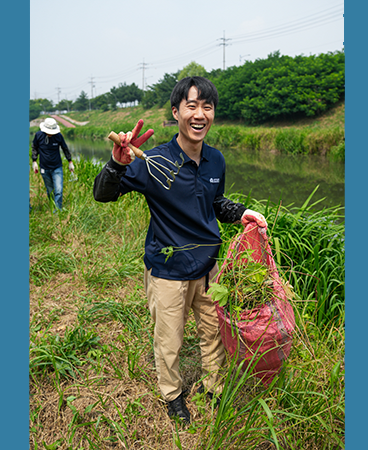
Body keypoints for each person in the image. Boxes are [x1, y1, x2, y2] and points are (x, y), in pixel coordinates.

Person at [93, 77, 267, 425]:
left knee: (213, 333)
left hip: (209, 268)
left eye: (207, 106)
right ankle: (172, 395)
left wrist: (239, 212)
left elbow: (214, 203)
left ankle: (213, 386)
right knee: (169, 342)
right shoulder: (152, 161)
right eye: (192, 105)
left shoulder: (216, 160)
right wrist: (117, 163)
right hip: (168, 272)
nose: (200, 114)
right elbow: (102, 194)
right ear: (176, 112)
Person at [31, 117, 75, 212]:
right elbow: (34, 147)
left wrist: (70, 161)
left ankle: (57, 210)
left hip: (57, 167)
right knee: (50, 190)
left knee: (58, 189)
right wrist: (34, 161)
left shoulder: (58, 136)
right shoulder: (38, 135)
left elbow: (65, 148)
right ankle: (52, 206)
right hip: (44, 168)